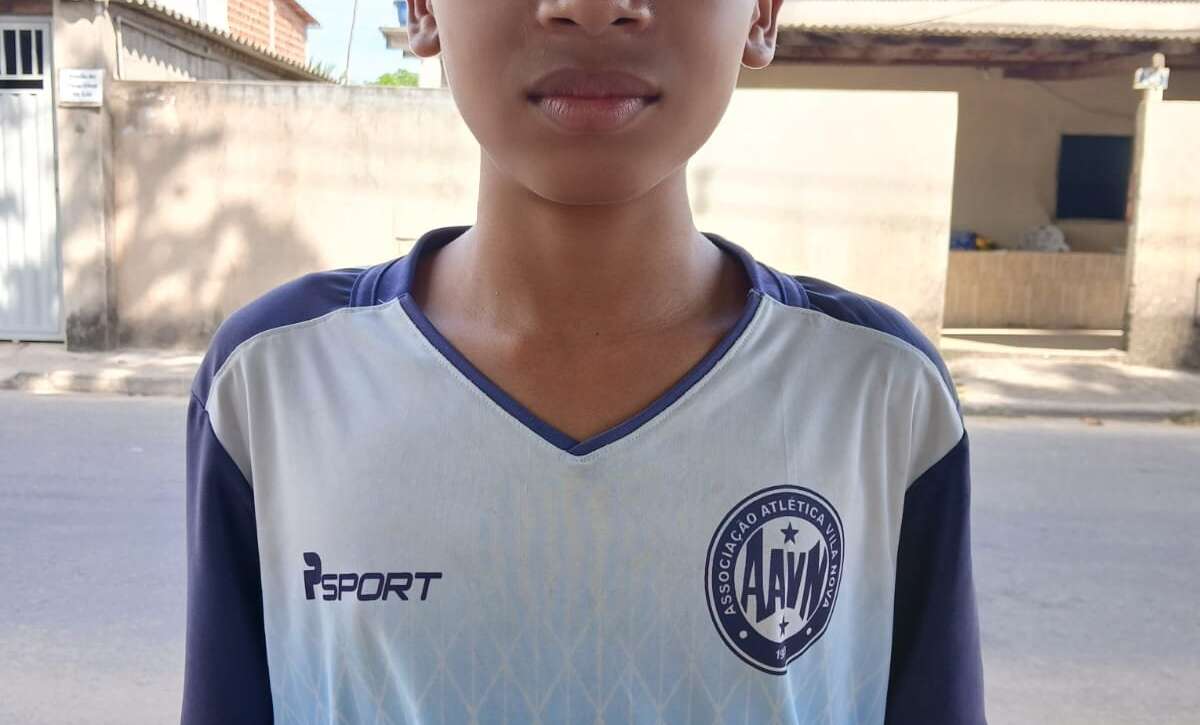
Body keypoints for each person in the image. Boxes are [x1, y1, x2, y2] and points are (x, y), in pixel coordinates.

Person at [181, 1, 986, 723]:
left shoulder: (879, 396)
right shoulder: (275, 385)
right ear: (421, 8)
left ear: (764, 13)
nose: (594, 8)